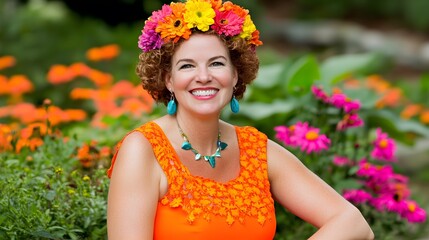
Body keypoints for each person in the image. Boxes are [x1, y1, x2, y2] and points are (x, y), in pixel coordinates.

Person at [106, 0, 375, 239]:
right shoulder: (143, 150)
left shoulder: (255, 149)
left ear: (235, 75)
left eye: (216, 63)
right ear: (168, 80)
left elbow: (353, 223)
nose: (203, 76)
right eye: (187, 65)